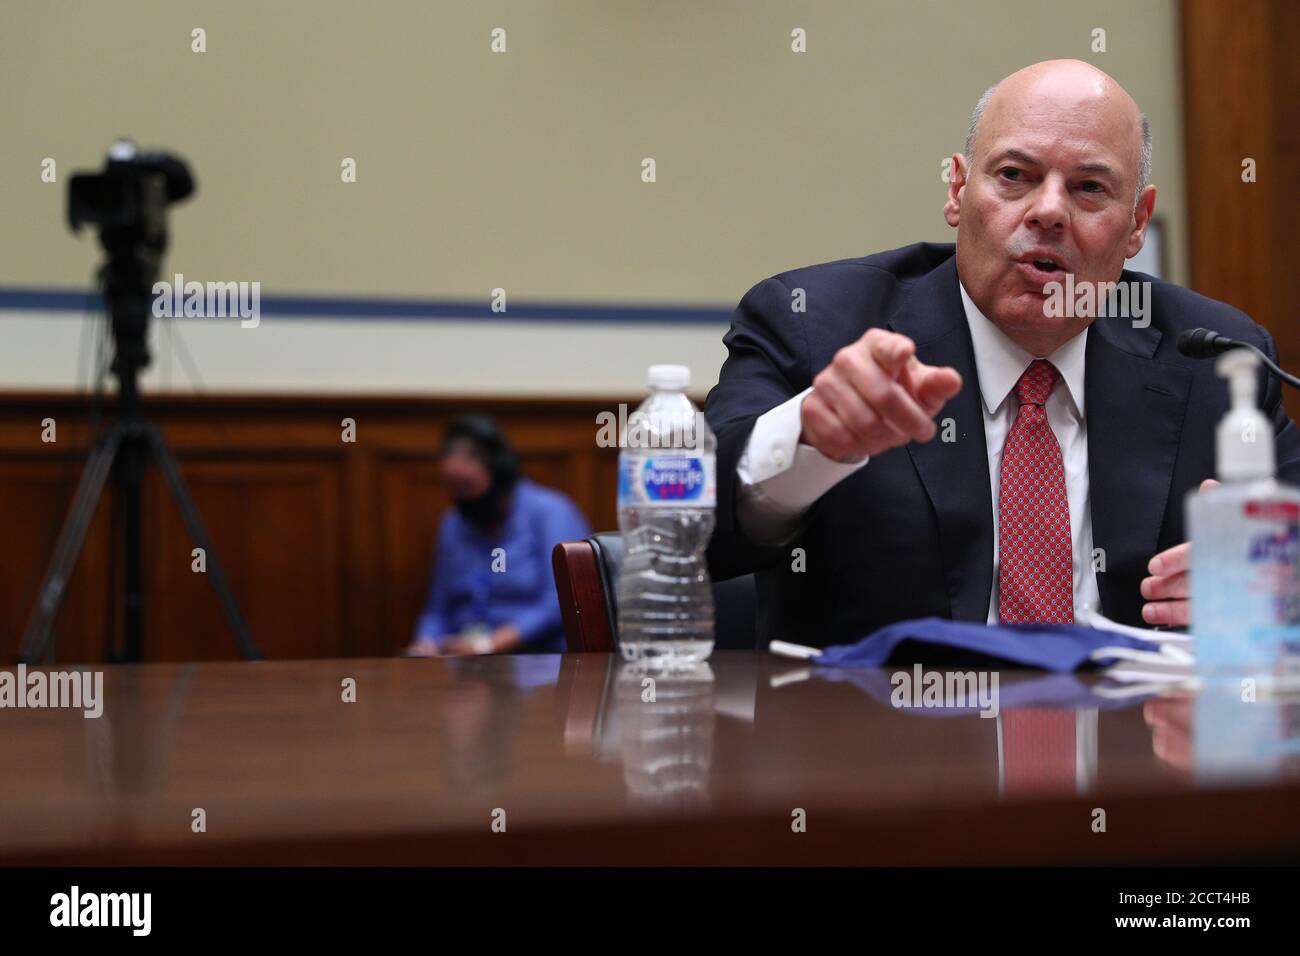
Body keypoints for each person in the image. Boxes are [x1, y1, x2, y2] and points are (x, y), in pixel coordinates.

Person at [705, 59, 1300, 647]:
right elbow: (697, 532)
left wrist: (1279, 581)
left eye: (1090, 188)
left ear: (1137, 224)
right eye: (1015, 175)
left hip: (1135, 736)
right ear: (958, 191)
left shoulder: (1217, 360)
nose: (1048, 211)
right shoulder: (813, 323)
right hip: (885, 733)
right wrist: (810, 441)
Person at [406, 413, 591, 656]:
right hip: (464, 669)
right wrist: (425, 643)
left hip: (539, 663)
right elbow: (437, 609)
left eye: (469, 485)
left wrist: (490, 644)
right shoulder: (453, 522)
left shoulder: (551, 512)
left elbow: (562, 603)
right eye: (455, 489)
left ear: (499, 472)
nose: (465, 500)